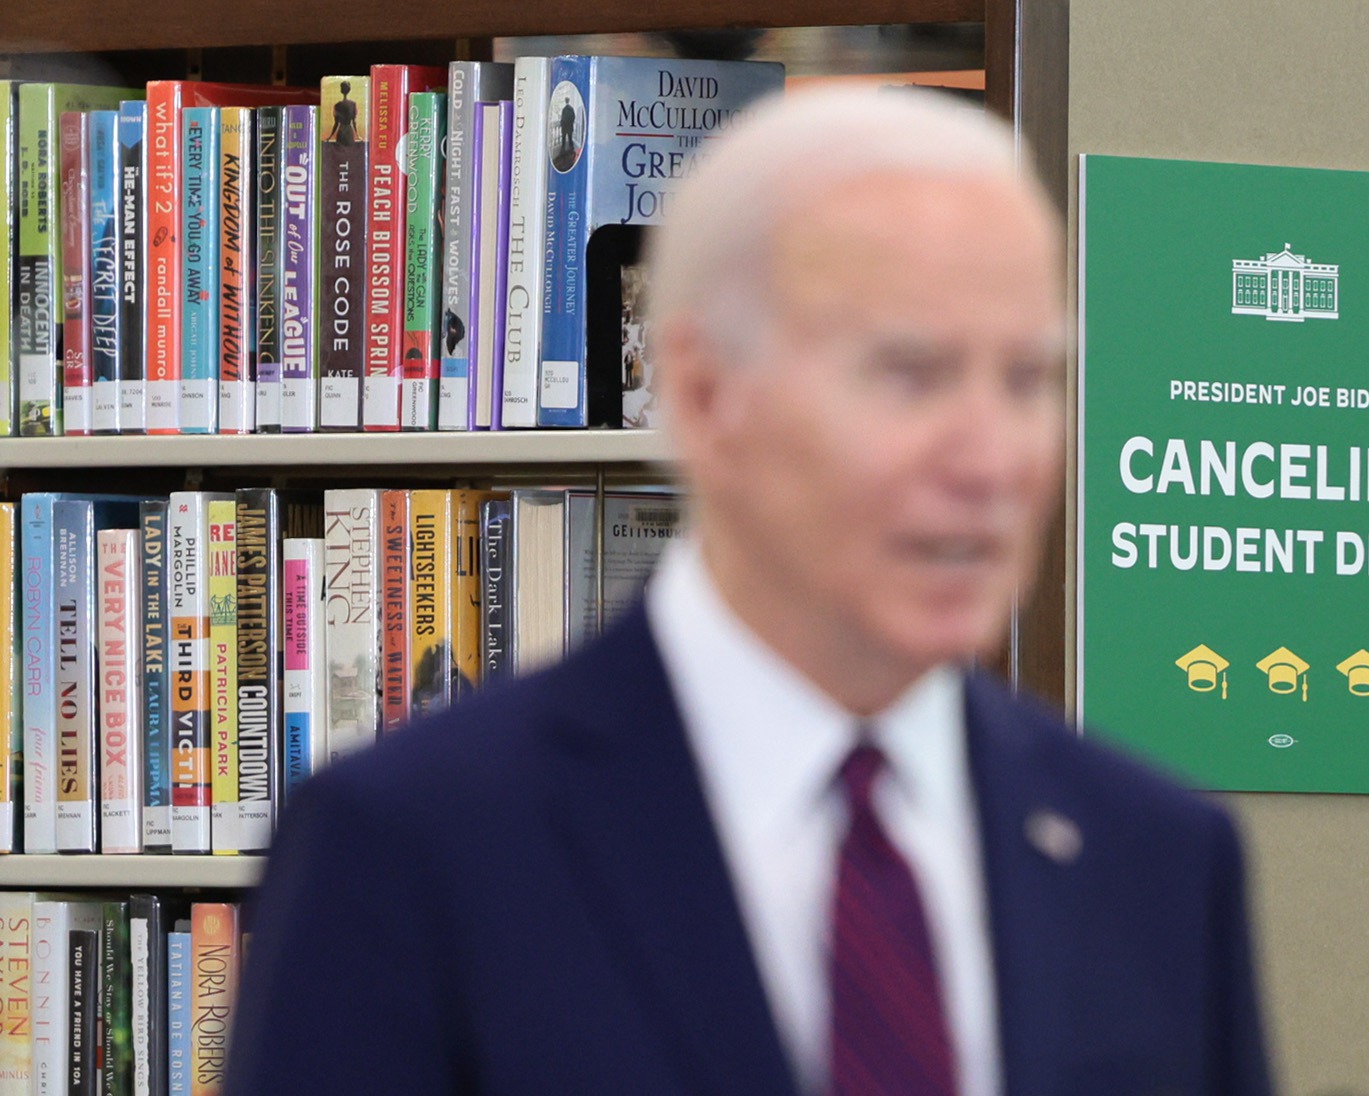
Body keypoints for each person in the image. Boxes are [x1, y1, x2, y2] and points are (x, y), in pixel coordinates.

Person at [226, 87, 1273, 1096]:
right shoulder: (415, 849)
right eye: (910, 374)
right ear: (705, 394)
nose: (990, 458)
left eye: (1029, 380)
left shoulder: (1158, 859)